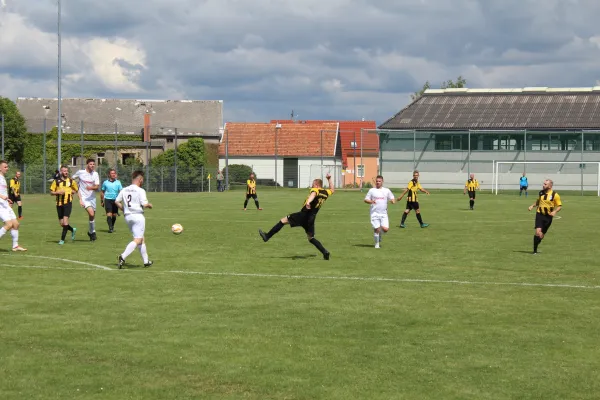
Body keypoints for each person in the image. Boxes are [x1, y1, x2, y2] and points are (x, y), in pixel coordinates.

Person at [258, 174, 334, 260]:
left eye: (313, 184)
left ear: (316, 185)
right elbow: (332, 189)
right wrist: (329, 179)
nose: (312, 185)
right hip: (312, 218)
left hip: (304, 215)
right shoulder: (325, 193)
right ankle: (325, 252)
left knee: (283, 221)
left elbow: (313, 195)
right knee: (311, 238)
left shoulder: (315, 189)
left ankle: (267, 236)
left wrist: (308, 202)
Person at [116, 171, 153, 268]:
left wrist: (124, 209)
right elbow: (144, 204)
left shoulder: (124, 189)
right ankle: (122, 256)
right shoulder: (140, 190)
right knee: (137, 239)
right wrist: (149, 205)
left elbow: (117, 201)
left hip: (128, 217)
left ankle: (146, 261)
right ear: (140, 179)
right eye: (142, 179)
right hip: (137, 216)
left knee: (141, 238)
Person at [528, 179, 562, 254]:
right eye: (543, 183)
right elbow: (538, 201)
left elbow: (559, 206)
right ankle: (534, 251)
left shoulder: (555, 195)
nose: (543, 185)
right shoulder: (541, 193)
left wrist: (555, 211)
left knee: (541, 235)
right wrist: (532, 206)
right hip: (539, 214)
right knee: (537, 232)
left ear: (550, 186)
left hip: (548, 217)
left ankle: (538, 241)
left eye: (545, 184)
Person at [0, 160, 26, 251]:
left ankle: (15, 246)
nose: (7, 168)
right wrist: (2, 196)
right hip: (0, 206)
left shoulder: (3, 178)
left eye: (7, 166)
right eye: (5, 167)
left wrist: (7, 199)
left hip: (5, 204)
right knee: (9, 224)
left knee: (15, 224)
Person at [364, 175, 395, 248]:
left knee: (385, 229)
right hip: (374, 213)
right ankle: (377, 244)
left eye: (379, 181)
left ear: (382, 182)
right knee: (377, 229)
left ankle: (379, 233)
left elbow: (392, 198)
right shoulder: (372, 190)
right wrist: (371, 201)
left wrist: (393, 201)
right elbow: (365, 200)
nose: (378, 182)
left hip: (384, 213)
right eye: (377, 181)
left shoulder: (386, 190)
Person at [50, 165, 78, 245]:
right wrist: (57, 192)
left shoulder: (71, 181)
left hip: (68, 203)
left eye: (66, 171)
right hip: (59, 204)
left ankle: (62, 240)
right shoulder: (56, 181)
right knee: (62, 224)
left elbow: (76, 189)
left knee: (65, 222)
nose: (66, 172)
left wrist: (73, 191)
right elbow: (51, 192)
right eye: (64, 171)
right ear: (61, 172)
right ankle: (72, 230)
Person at [72, 159, 100, 241]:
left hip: (92, 197)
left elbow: (97, 186)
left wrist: (91, 187)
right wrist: (75, 188)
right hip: (84, 197)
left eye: (93, 164)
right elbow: (72, 179)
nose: (92, 165)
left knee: (92, 216)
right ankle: (93, 232)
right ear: (87, 164)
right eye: (91, 164)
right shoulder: (80, 172)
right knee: (91, 214)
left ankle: (91, 232)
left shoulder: (95, 174)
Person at [100, 168, 123, 233]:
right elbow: (102, 191)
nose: (113, 174)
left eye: (114, 173)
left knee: (114, 215)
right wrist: (102, 201)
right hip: (107, 200)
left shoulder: (118, 182)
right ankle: (110, 228)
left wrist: (120, 200)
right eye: (112, 173)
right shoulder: (105, 182)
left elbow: (121, 191)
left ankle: (112, 226)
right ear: (109, 175)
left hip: (115, 200)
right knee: (109, 214)